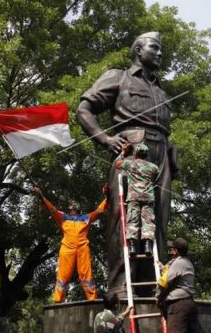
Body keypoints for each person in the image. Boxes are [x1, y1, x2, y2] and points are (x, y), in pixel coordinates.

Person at [77, 31, 177, 294]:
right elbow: (84, 109)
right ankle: (122, 287)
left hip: (162, 156)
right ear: (138, 51)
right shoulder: (119, 77)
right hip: (131, 150)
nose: (159, 53)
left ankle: (155, 283)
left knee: (159, 220)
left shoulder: (161, 91)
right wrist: (104, 139)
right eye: (154, 48)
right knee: (125, 219)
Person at [33, 185, 108, 303]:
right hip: (67, 248)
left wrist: (107, 197)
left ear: (77, 209)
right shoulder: (63, 217)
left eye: (74, 207)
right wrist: (41, 196)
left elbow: (98, 211)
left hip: (83, 248)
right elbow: (52, 208)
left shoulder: (85, 218)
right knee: (63, 274)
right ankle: (58, 300)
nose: (72, 209)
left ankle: (92, 299)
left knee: (86, 274)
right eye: (71, 207)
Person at [114, 142, 159, 256]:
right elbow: (157, 183)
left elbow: (117, 164)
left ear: (136, 153)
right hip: (148, 197)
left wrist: (123, 152)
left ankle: (132, 248)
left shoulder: (130, 164)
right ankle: (148, 247)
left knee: (133, 221)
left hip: (133, 197)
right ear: (146, 154)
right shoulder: (154, 167)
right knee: (148, 222)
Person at [156, 237, 197, 332]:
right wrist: (163, 267)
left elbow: (163, 283)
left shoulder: (177, 263)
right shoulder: (187, 263)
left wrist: (157, 298)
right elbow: (175, 273)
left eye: (171, 248)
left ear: (176, 251)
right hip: (188, 303)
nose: (169, 250)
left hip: (178, 306)